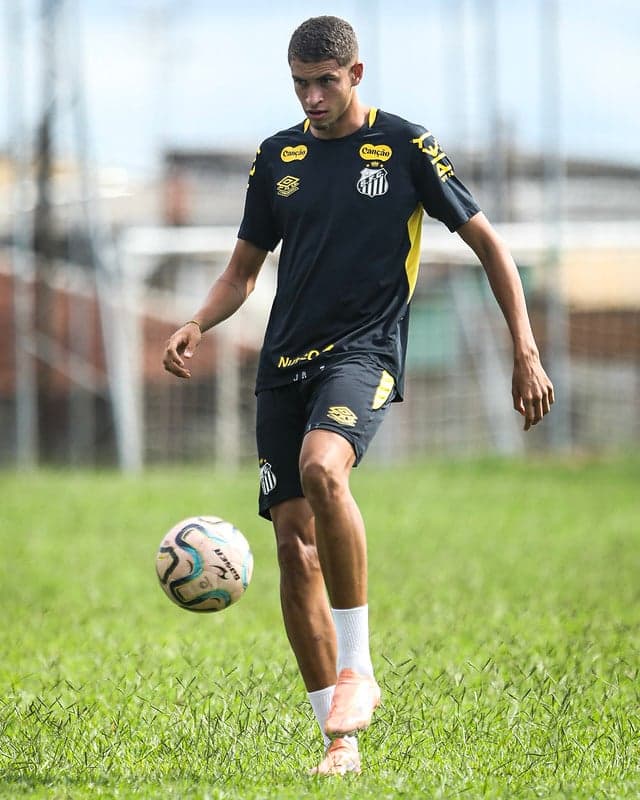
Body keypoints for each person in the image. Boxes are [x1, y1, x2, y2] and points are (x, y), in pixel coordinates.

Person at [163, 15, 554, 777]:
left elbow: (489, 244)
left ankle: (359, 669)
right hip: (282, 364)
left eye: (325, 82)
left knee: (323, 469)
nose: (312, 97)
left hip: (363, 352)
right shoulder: (277, 157)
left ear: (356, 75)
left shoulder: (406, 146)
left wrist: (526, 350)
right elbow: (242, 272)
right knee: (292, 547)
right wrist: (196, 322)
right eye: (300, 84)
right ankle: (338, 743)